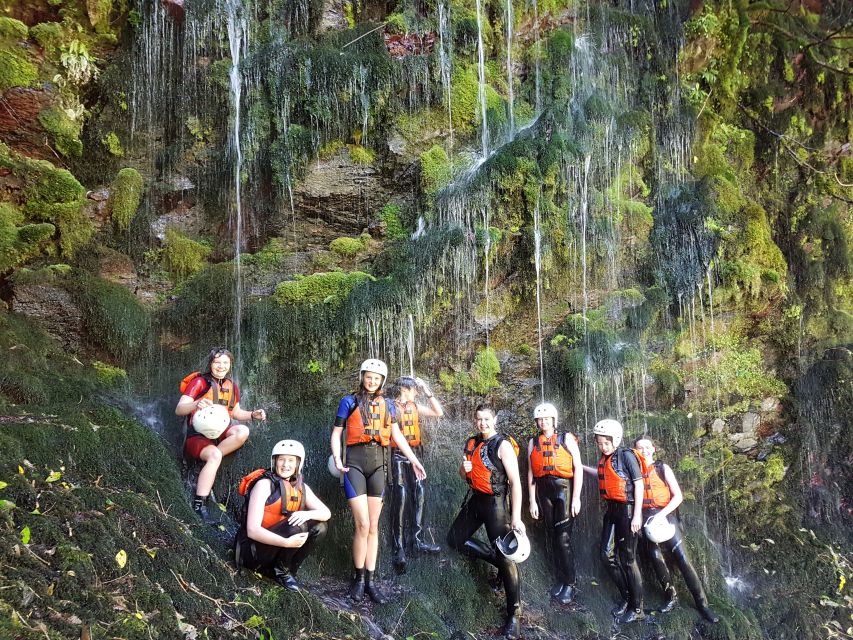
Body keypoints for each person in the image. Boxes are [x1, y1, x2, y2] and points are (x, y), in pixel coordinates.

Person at [330, 358, 427, 604]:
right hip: (354, 465)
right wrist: (337, 458)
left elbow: (398, 436)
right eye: (368, 376)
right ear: (362, 376)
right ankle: (358, 579)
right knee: (362, 524)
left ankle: (370, 582)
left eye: (376, 378)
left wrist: (414, 460)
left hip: (379, 467)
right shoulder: (348, 401)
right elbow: (336, 433)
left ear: (382, 381)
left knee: (373, 526)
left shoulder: (389, 406)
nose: (371, 381)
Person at [447, 403, 525, 640]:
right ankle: (496, 561)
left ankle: (514, 615)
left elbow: (516, 483)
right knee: (455, 539)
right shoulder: (471, 443)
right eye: (479, 419)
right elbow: (464, 476)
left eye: (487, 419)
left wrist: (516, 518)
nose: (483, 423)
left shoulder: (502, 445)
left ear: (494, 419)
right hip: (476, 501)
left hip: (496, 504)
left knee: (506, 555)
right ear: (475, 420)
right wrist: (463, 468)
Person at [634, 437, 720, 623]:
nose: (644, 450)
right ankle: (671, 597)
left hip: (666, 516)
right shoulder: (634, 471)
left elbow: (678, 496)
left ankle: (702, 604)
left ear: (654, 449)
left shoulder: (662, 468)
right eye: (640, 448)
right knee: (657, 559)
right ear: (635, 451)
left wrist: (661, 514)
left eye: (647, 447)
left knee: (683, 559)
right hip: (645, 518)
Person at [175, 347, 267, 523]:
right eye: (217, 362)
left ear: (230, 365)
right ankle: (199, 503)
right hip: (197, 436)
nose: (221, 366)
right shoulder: (199, 383)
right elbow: (179, 409)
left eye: (225, 362)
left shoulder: (232, 386)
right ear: (210, 364)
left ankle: (211, 459)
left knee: (242, 431)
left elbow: (236, 413)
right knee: (215, 455)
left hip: (220, 434)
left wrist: (252, 415)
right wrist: (196, 404)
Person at [234, 440, 331, 592]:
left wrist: (306, 513)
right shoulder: (265, 485)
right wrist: (286, 543)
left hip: (274, 549)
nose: (286, 464)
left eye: (291, 460)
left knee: (320, 527)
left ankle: (286, 570)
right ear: (275, 461)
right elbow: (252, 530)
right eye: (281, 459)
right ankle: (280, 572)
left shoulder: (301, 487)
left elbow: (326, 513)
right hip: (251, 553)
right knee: (297, 526)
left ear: (298, 464)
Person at [527, 403, 583, 605]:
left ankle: (570, 583)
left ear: (554, 420)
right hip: (544, 492)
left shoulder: (566, 438)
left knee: (563, 538)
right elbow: (531, 472)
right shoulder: (533, 442)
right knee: (552, 535)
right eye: (540, 419)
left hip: (564, 490)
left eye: (547, 419)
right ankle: (561, 579)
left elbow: (578, 468)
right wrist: (532, 500)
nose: (543, 422)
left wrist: (576, 497)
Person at [388, 376, 444, 569]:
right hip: (396, 454)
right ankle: (398, 548)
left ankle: (417, 541)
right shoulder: (391, 407)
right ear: (404, 388)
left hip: (416, 452)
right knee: (401, 497)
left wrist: (427, 390)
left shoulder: (414, 407)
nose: (416, 392)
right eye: (414, 389)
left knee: (419, 494)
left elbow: (438, 412)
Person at [593, 418, 645, 623]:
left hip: (628, 510)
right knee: (606, 555)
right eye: (599, 443)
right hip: (612, 511)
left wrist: (638, 515)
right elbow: (602, 477)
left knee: (629, 560)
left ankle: (638, 607)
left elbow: (638, 484)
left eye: (606, 443)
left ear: (615, 440)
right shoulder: (605, 459)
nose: (603, 447)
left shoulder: (626, 456)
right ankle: (626, 596)